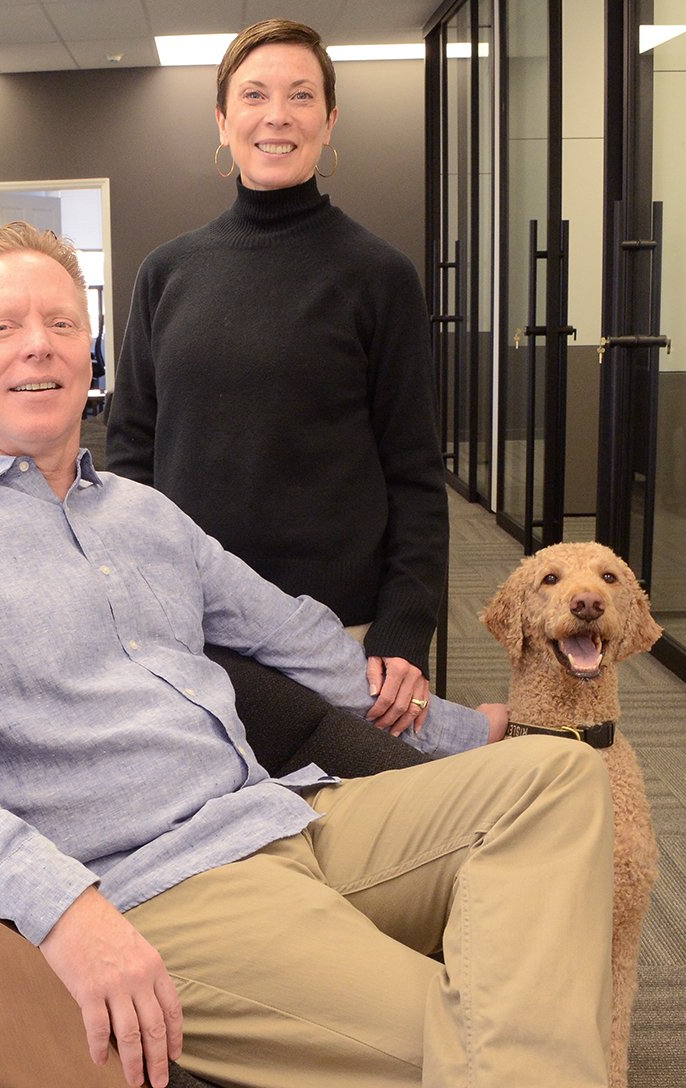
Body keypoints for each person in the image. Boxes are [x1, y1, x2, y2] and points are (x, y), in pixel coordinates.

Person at [0, 223, 615, 1088]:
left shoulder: (145, 516)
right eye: (3, 327)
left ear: (91, 353)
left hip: (282, 817)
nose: (39, 343)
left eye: (63, 324)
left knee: (556, 780)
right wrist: (62, 910)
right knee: (461, 1039)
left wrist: (455, 730)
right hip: (157, 890)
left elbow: (294, 635)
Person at [109, 19, 459, 741]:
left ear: (329, 121)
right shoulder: (167, 273)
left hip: (336, 631)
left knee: (362, 835)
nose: (278, 115)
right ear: (222, 118)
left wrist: (403, 628)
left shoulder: (379, 277)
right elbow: (131, 454)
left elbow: (416, 476)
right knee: (222, 834)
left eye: (301, 96)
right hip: (194, 624)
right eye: (255, 94)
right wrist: (139, 603)